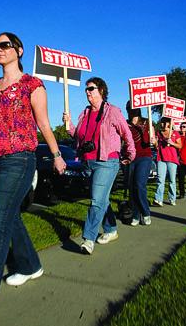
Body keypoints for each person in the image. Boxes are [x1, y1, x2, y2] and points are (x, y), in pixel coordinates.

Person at [0, 32, 66, 321]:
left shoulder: (33, 85)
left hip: (19, 159)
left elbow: (42, 122)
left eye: (4, 45)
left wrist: (56, 155)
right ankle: (30, 265)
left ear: (18, 50)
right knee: (10, 218)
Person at [63, 78, 135, 255]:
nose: (87, 92)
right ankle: (111, 229)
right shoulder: (85, 114)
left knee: (96, 200)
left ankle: (88, 239)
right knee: (102, 199)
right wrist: (69, 124)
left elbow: (126, 133)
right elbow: (78, 136)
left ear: (101, 90)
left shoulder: (113, 112)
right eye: (86, 89)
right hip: (88, 162)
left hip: (107, 161)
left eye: (91, 88)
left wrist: (130, 153)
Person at [125, 101, 155, 226]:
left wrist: (154, 141)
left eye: (132, 108)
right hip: (131, 158)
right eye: (128, 108)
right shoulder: (126, 124)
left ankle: (146, 212)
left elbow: (154, 143)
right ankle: (136, 215)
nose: (130, 111)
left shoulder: (147, 122)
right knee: (132, 187)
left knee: (139, 184)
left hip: (145, 157)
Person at [153, 117, 182, 207]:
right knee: (160, 179)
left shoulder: (175, 133)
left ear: (169, 123)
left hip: (172, 159)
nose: (163, 124)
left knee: (172, 180)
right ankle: (158, 199)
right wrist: (154, 142)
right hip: (161, 159)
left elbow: (180, 145)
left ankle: (172, 198)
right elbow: (156, 147)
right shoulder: (159, 133)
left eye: (165, 122)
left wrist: (172, 143)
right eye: (162, 122)